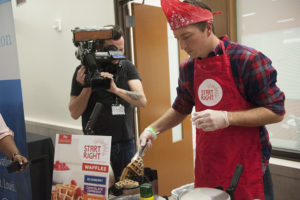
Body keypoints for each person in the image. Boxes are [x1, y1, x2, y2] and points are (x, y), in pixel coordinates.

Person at [139, 0, 285, 199]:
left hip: (246, 166)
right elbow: (180, 108)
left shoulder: (247, 60)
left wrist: (227, 118)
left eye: (187, 37)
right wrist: (152, 129)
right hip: (208, 165)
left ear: (208, 27)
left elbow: (276, 111)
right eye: (177, 39)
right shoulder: (188, 68)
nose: (183, 46)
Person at [69, 25, 147, 179]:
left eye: (122, 49)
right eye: (113, 49)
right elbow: (74, 113)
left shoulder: (126, 67)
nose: (118, 54)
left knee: (128, 189)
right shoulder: (83, 71)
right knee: (100, 193)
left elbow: (142, 101)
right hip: (95, 145)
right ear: (100, 48)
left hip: (125, 143)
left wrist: (116, 90)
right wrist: (88, 85)